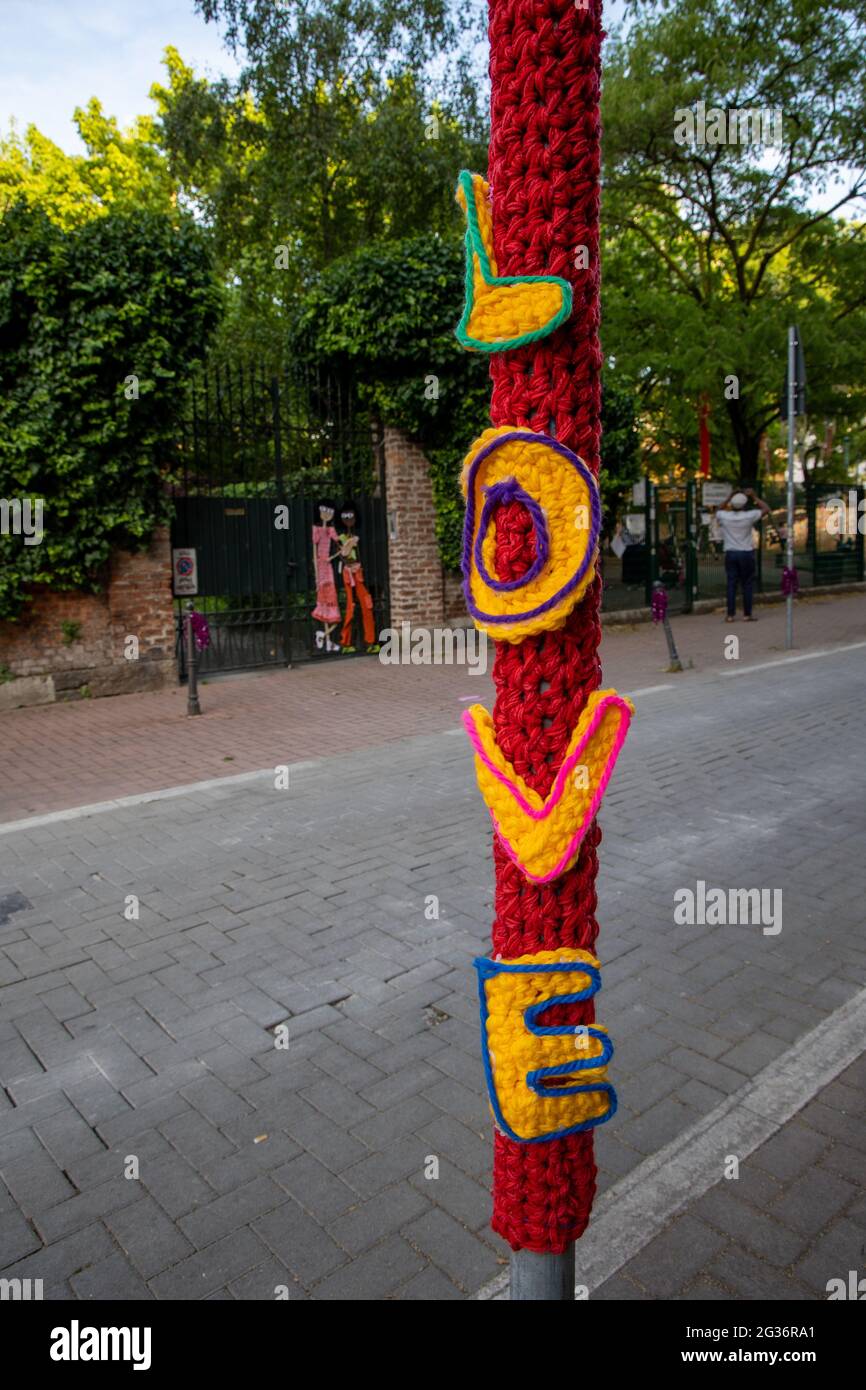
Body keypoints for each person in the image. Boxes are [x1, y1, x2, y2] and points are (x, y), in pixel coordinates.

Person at [716, 487, 770, 621]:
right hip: (746, 553)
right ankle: (747, 614)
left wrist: (729, 497)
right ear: (744, 505)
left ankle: (730, 615)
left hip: (731, 553)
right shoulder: (749, 516)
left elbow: (718, 509)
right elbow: (766, 509)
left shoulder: (724, 516)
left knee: (731, 584)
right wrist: (754, 496)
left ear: (732, 505)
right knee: (747, 584)